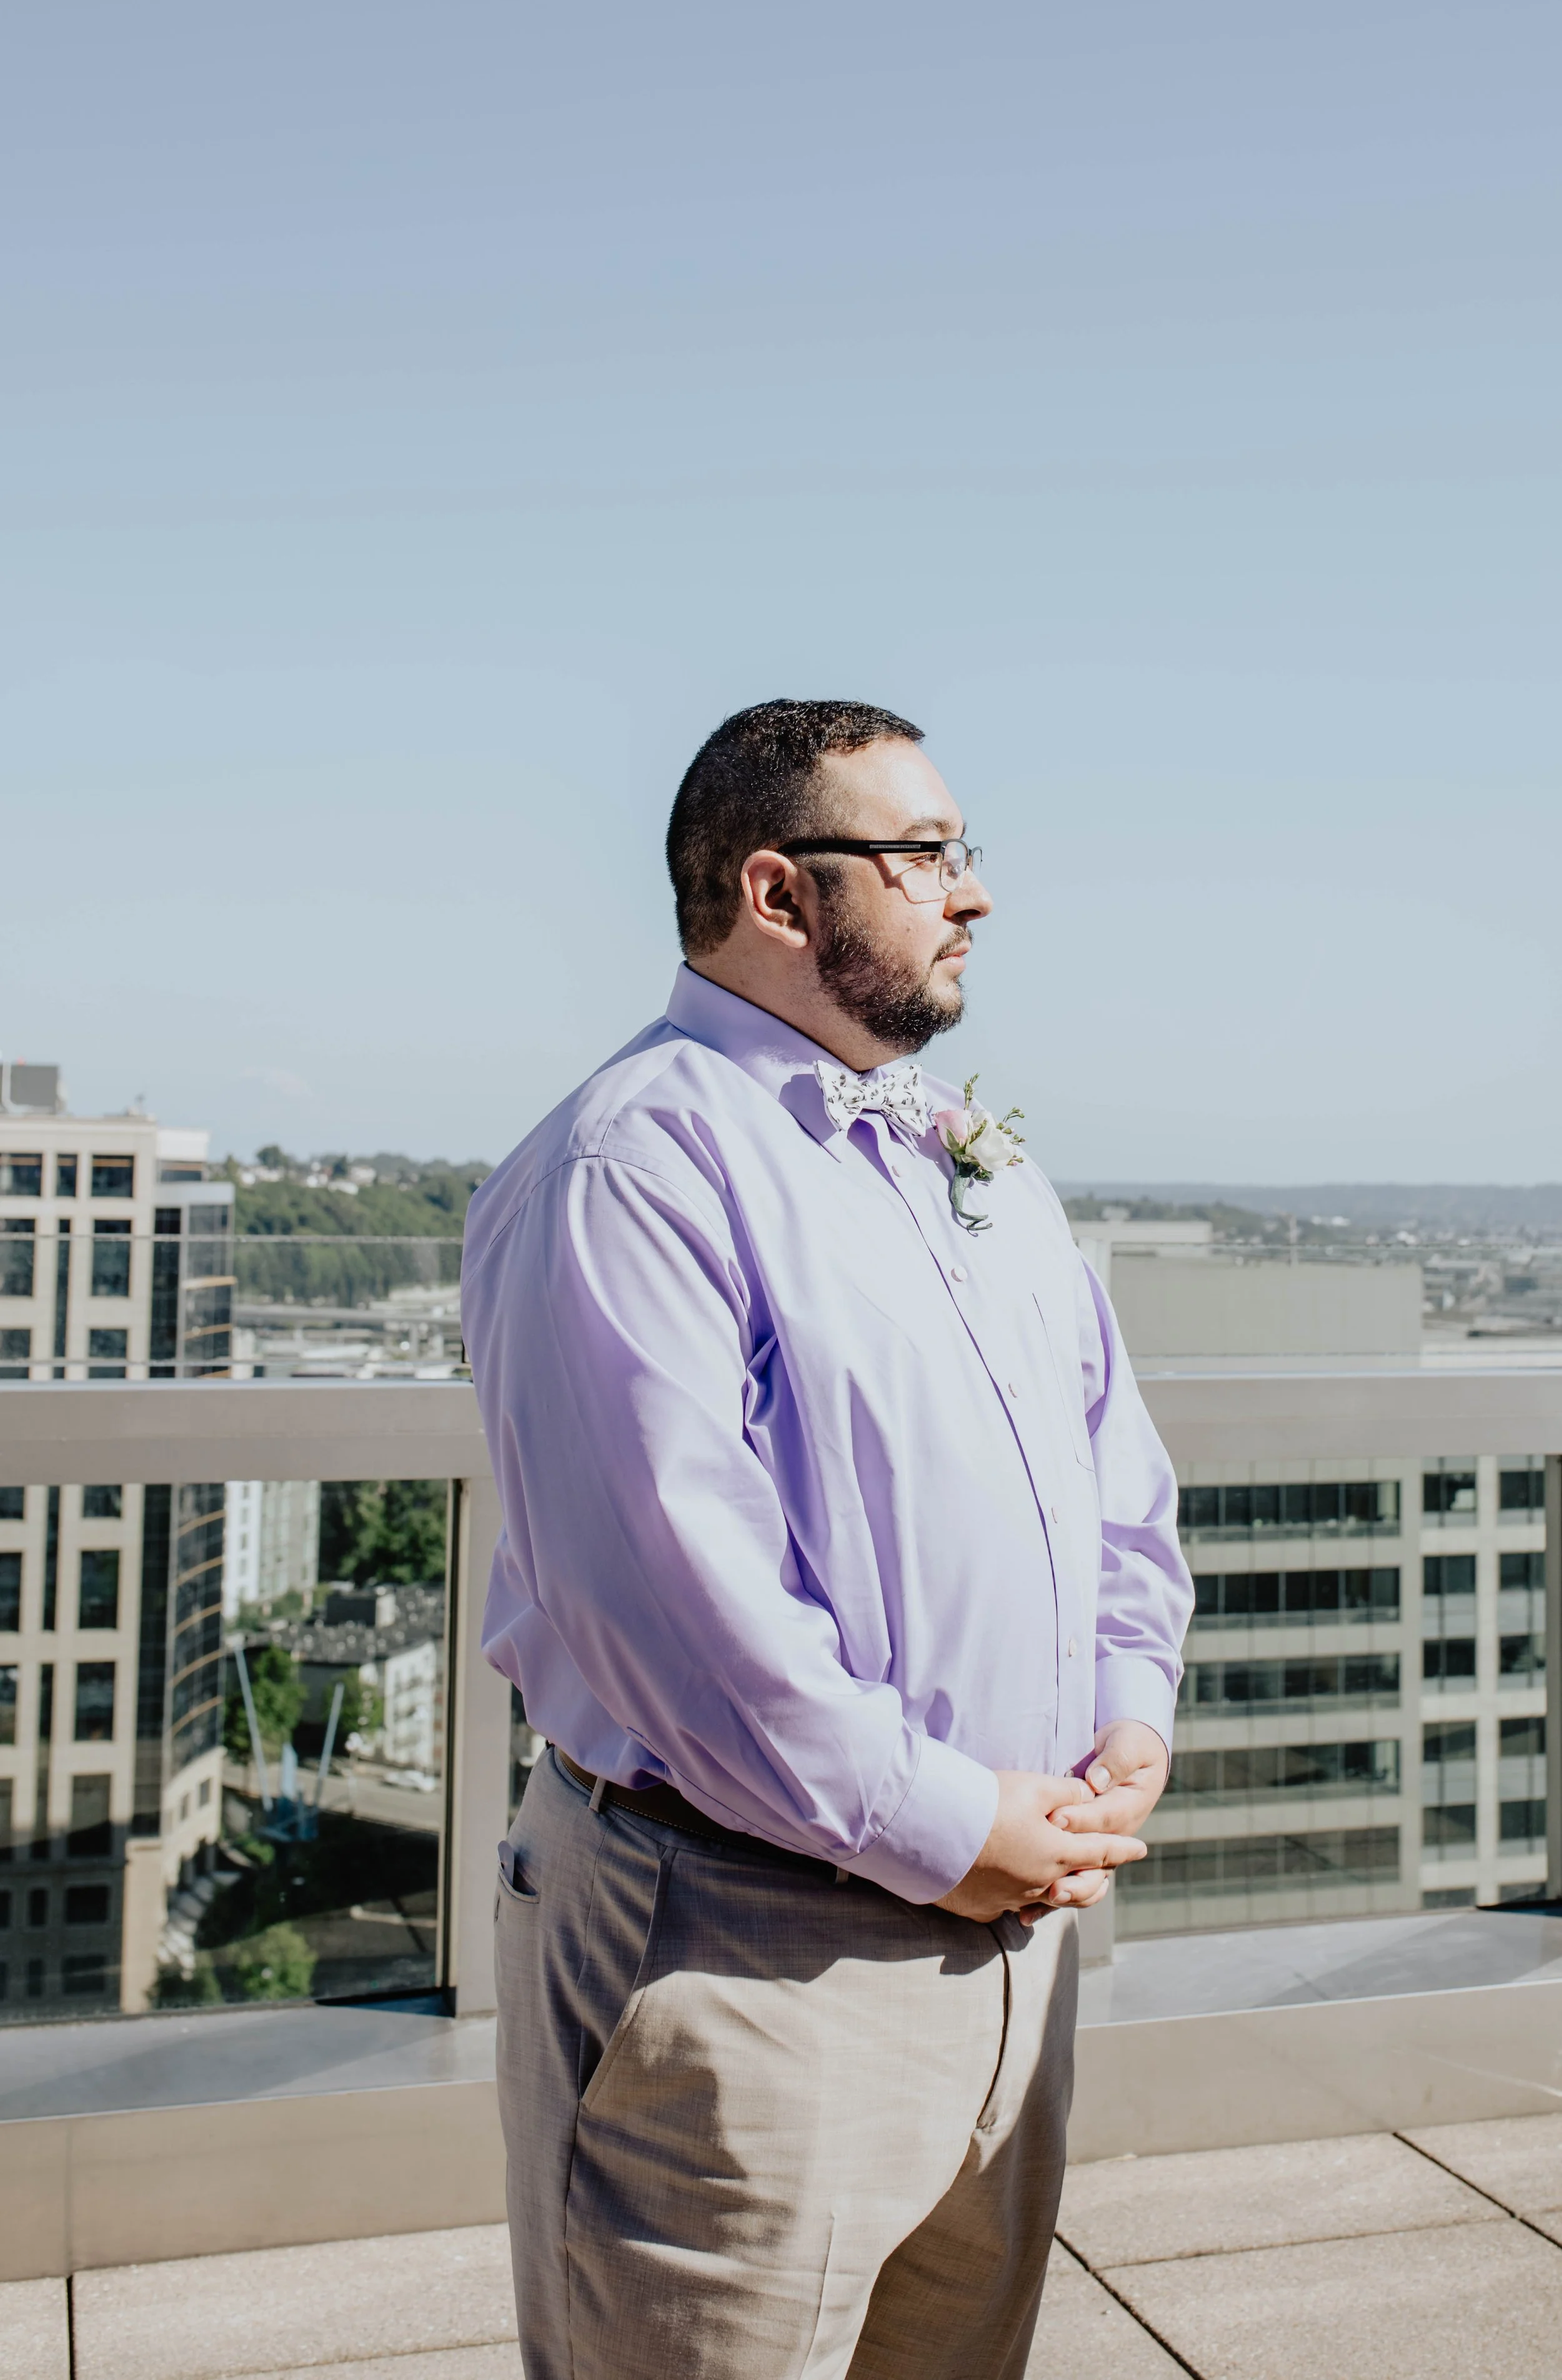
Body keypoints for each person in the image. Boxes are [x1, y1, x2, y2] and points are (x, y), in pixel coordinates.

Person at [462, 698, 1193, 2380]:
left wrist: (1123, 1712)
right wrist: (946, 1824)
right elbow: (672, 1598)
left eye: (963, 850)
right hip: (737, 1953)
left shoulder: (978, 1166)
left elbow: (1113, 1483)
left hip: (1011, 1938)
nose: (972, 892)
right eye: (924, 853)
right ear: (781, 895)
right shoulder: (628, 1166)